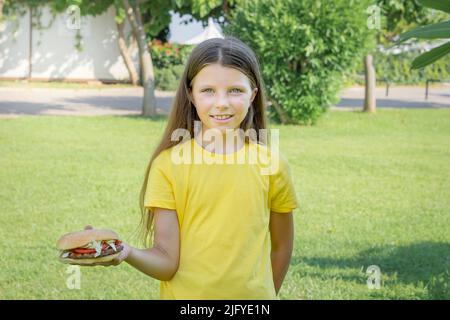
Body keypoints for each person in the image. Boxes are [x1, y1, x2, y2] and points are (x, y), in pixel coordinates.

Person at [85, 37, 299, 300]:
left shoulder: (273, 164)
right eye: (208, 90)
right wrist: (125, 252)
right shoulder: (168, 165)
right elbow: (166, 260)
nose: (222, 102)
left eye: (235, 90)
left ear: (253, 95)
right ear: (191, 94)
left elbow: (281, 247)